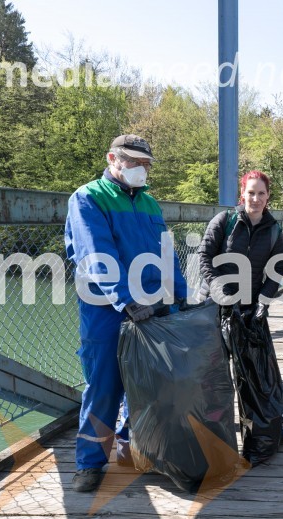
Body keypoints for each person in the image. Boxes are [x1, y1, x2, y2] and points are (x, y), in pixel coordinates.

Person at [64, 134, 188, 492]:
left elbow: (166, 253)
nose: (140, 169)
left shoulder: (149, 203)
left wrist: (181, 296)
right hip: (106, 309)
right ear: (112, 159)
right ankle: (90, 463)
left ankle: (129, 446)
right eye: (133, 161)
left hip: (152, 307)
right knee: (104, 384)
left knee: (147, 382)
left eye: (145, 163)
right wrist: (125, 299)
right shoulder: (88, 197)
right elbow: (95, 254)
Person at [197, 170, 283, 459]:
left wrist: (264, 300)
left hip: (250, 310)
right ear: (242, 194)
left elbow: (277, 268)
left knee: (255, 374)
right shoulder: (224, 221)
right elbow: (204, 257)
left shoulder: (274, 230)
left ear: (268, 196)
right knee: (213, 374)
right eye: (251, 193)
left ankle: (266, 428)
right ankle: (215, 438)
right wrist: (218, 289)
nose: (256, 198)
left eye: (261, 193)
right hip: (216, 307)